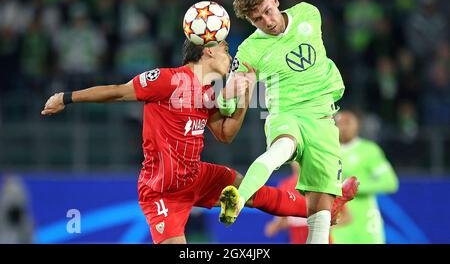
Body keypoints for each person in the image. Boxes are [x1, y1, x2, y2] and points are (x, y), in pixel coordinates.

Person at [41, 39, 351, 244]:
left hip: (196, 176)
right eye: (227, 49)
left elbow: (226, 134)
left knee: (249, 190)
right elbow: (118, 91)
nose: (230, 57)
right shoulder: (166, 80)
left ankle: (326, 208)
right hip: (161, 190)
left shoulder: (209, 93)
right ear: (209, 51)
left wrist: (243, 97)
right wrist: (67, 98)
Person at [217, 0, 359, 244]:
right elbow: (231, 97)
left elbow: (318, 58)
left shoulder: (308, 13)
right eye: (257, 19)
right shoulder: (250, 49)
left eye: (267, 11)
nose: (267, 21)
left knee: (320, 210)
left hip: (322, 118)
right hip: (286, 113)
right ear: (250, 22)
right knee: (282, 147)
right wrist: (226, 96)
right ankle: (238, 199)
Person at [331, 110, 399, 244]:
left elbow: (390, 182)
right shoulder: (327, 151)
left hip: (366, 220)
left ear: (357, 125)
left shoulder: (369, 150)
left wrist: (355, 187)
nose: (343, 127)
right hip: (338, 219)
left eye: (348, 122)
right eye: (339, 122)